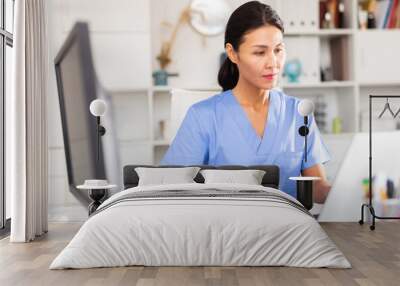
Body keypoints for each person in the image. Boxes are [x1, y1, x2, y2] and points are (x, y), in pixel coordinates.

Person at [160, 1, 331, 203]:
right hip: (227, 230)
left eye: (278, 50)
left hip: (289, 230)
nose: (273, 63)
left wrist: (357, 192)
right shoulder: (203, 116)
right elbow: (172, 190)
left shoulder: (298, 113)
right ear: (232, 53)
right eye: (260, 52)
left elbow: (317, 188)